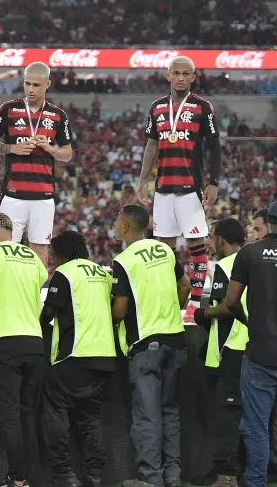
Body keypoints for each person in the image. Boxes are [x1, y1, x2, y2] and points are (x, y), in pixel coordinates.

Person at [111, 204, 191, 487]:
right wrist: (173, 310)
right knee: (170, 411)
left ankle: (150, 478)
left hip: (146, 344)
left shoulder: (124, 260)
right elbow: (185, 285)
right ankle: (173, 475)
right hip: (176, 341)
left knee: (147, 415)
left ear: (124, 227)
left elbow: (120, 310)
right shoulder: (165, 250)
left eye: (117, 220)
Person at [137, 55, 221, 318]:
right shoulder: (157, 107)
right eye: (177, 73)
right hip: (163, 188)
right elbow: (152, 144)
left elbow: (214, 146)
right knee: (164, 250)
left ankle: (196, 301)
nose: (182, 78)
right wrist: (143, 179)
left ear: (193, 78)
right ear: (168, 75)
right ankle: (168, 298)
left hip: (191, 188)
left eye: (187, 74)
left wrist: (214, 182)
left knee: (196, 245)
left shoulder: (202, 107)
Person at [0, 212, 48, 487]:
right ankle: (25, 475)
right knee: (27, 413)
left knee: (9, 415)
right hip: (34, 342)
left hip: (6, 340)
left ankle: (17, 479)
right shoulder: (33, 258)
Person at [40, 231, 116, 487]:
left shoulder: (66, 272)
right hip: (104, 355)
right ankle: (95, 474)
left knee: (56, 410)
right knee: (90, 417)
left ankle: (64, 474)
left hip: (74, 354)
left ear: (60, 253)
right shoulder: (101, 273)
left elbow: (49, 311)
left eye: (52, 254)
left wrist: (38, 323)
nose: (51, 259)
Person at [0, 61, 73, 266]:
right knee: (5, 247)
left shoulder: (58, 116)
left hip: (43, 195)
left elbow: (67, 153)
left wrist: (50, 148)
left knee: (40, 248)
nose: (30, 89)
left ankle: (34, 297)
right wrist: (12, 148)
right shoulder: (8, 109)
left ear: (48, 84)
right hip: (13, 193)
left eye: (36, 85)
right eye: (27, 84)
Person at [224, 201, 277, 487]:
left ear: (268, 222)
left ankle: (256, 482)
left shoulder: (250, 253)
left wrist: (246, 321)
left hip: (261, 352)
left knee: (256, 427)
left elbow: (231, 301)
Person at [193, 217, 248, 487]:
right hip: (259, 348)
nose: (209, 241)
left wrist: (205, 312)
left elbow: (228, 305)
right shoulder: (258, 262)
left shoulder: (226, 266)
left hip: (231, 350)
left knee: (226, 418)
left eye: (212, 236)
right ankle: (251, 472)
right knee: (256, 417)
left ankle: (227, 476)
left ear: (221, 240)